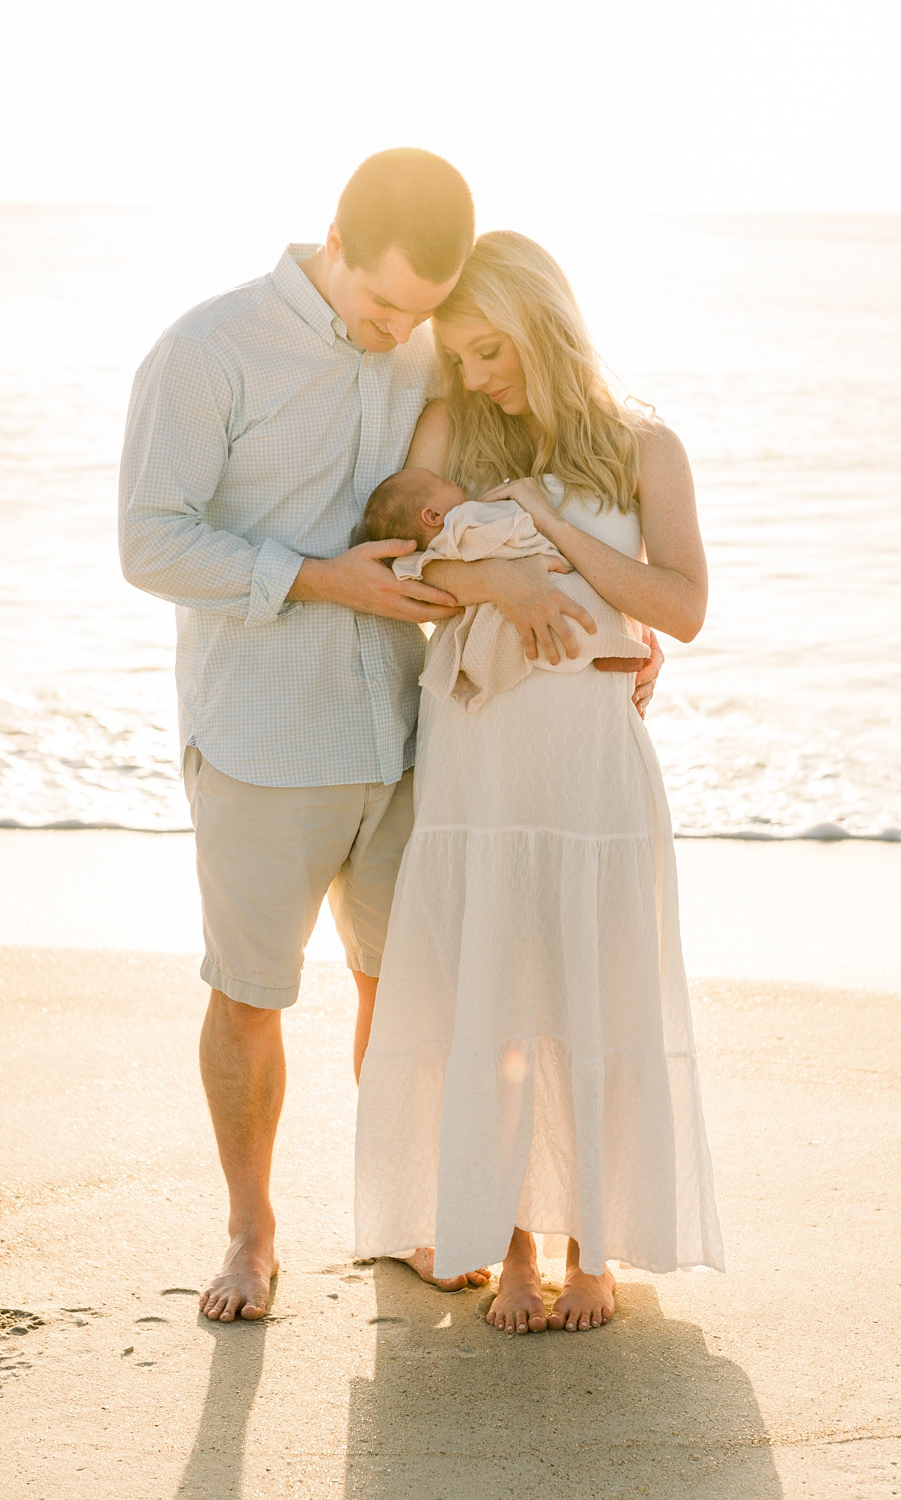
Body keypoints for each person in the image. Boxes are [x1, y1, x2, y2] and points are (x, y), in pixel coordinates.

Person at [118, 150, 603, 1323]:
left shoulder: (431, 346)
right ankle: (251, 1231)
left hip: (410, 729)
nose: (404, 334)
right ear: (333, 241)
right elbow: (151, 543)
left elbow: (529, 478)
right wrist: (323, 581)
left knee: (412, 992)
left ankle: (411, 1216)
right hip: (262, 737)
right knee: (251, 995)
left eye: (424, 315)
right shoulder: (207, 349)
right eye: (385, 306)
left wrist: (613, 648)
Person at [354, 231, 724, 1336]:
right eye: (457, 356)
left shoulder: (646, 444)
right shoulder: (451, 430)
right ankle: (512, 1248)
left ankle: (592, 1248)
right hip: (479, 763)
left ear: (540, 325)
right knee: (495, 1001)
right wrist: (503, 580)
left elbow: (685, 608)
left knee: (598, 995)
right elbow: (409, 561)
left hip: (593, 777)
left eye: (483, 351)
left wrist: (557, 530)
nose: (472, 377)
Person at [363, 468, 649, 710]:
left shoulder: (430, 554)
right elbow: (505, 526)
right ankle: (621, 643)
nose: (454, 483)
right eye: (445, 484)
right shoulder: (463, 519)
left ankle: (615, 645)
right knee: (578, 599)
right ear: (432, 515)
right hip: (532, 576)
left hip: (507, 605)